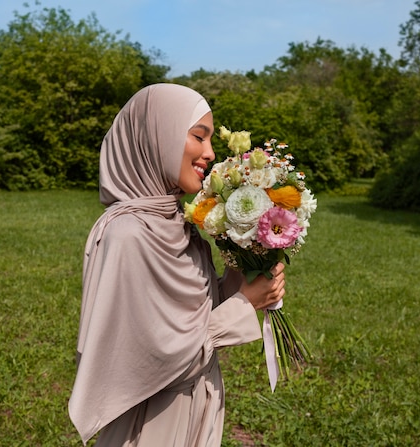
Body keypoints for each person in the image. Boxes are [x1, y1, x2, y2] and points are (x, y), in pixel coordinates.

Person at [68, 83, 286, 446]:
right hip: (154, 418)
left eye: (211, 140)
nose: (210, 153)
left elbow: (201, 309)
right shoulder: (128, 234)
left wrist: (245, 257)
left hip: (201, 399)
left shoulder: (180, 223)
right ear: (156, 139)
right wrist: (246, 305)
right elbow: (151, 360)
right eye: (198, 137)